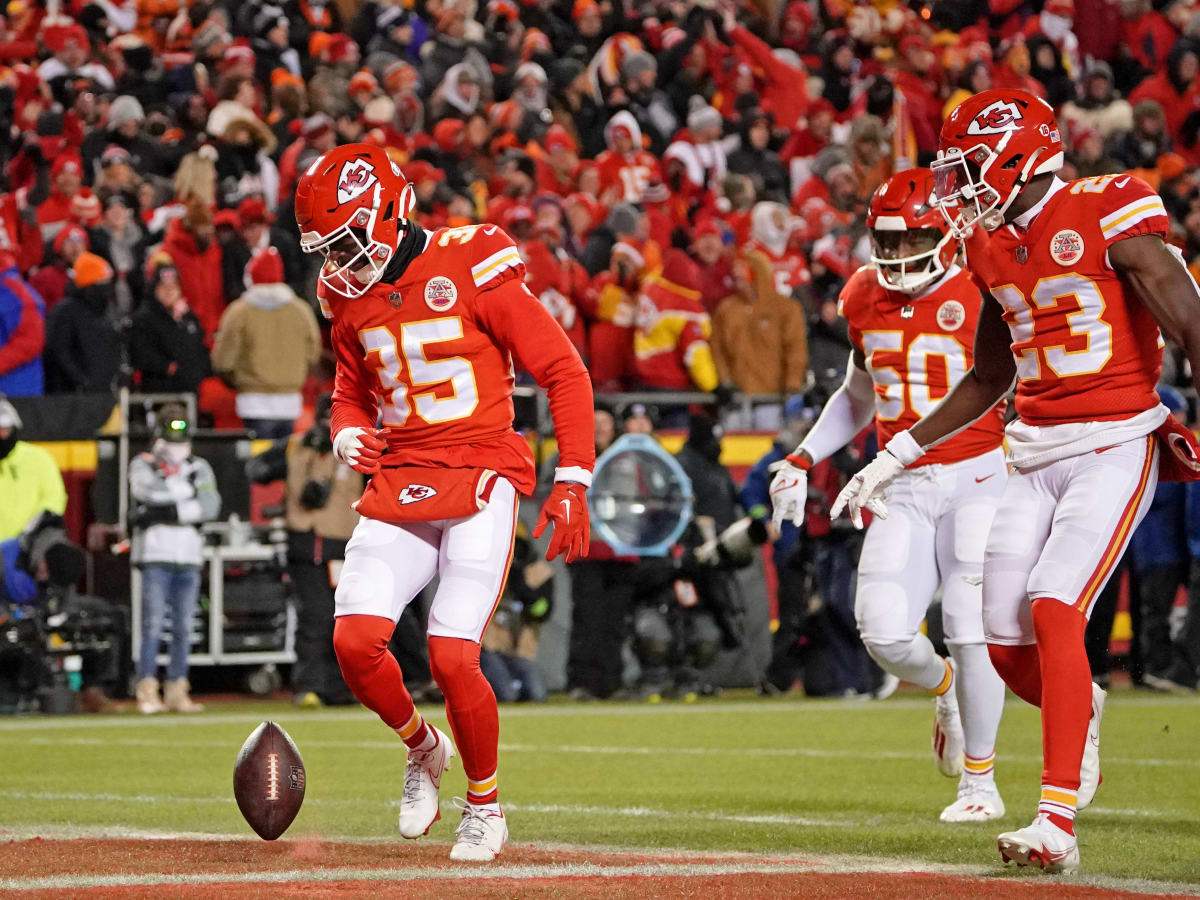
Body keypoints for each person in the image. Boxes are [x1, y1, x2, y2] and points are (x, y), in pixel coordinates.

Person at [831, 91, 1200, 872]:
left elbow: (1191, 322)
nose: (957, 188)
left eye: (967, 168)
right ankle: (1083, 708)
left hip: (1114, 438)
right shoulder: (990, 245)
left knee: (1055, 605)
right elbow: (989, 373)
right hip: (1030, 448)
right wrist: (894, 454)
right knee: (1000, 644)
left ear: (1016, 155)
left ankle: (1055, 822)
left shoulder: (1106, 208)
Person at [295, 144, 594, 861]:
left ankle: (485, 806)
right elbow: (349, 392)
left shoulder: (472, 259)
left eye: (346, 240)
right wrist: (346, 438)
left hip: (482, 472)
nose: (338, 259)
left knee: (453, 655)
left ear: (390, 211)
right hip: (401, 477)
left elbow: (562, 369)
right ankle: (422, 746)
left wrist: (574, 479)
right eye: (327, 246)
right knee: (353, 642)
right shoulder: (344, 294)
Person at [772, 168, 1010, 819]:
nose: (899, 255)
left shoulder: (983, 285)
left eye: (913, 241)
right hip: (898, 485)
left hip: (977, 475)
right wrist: (801, 454)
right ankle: (946, 686)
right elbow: (855, 395)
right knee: (880, 629)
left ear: (945, 232)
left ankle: (980, 784)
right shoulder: (862, 294)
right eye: (889, 240)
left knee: (968, 621)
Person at [246, 394, 361, 708]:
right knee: (316, 617)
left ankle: (340, 688)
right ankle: (309, 686)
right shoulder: (294, 445)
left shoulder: (360, 448)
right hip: (307, 542)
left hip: (347, 544)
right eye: (325, 419)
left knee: (347, 620)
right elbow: (256, 469)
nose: (328, 426)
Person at [128, 410, 221, 715]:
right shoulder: (145, 463)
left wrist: (167, 513)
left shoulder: (199, 466)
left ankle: (177, 688)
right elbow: (146, 491)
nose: (176, 445)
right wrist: (185, 495)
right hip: (155, 555)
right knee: (152, 625)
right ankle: (146, 687)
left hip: (189, 556)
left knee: (183, 627)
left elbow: (211, 505)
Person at [212, 246, 320, 438]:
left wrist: (238, 381)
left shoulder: (238, 312)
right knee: (282, 461)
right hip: (290, 401)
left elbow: (223, 361)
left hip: (253, 401)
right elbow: (313, 354)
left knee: (259, 461)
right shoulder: (301, 311)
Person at [42, 252, 123, 394]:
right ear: (89, 285)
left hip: (103, 395)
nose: (107, 288)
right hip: (71, 399)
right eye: (102, 282)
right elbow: (58, 352)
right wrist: (81, 381)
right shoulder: (65, 311)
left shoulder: (106, 312)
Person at [0, 397, 68, 541]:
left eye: (5, 429)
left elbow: (55, 497)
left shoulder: (38, 458)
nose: (2, 435)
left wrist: (34, 527)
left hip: (28, 544)